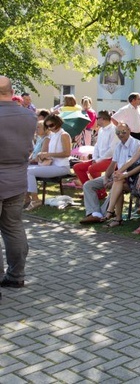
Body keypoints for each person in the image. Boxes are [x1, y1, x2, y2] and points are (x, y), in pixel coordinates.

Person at [0, 76, 37, 290]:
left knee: (12, 228)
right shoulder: (28, 116)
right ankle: (16, 275)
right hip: (17, 178)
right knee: (13, 227)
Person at [98, 122, 140, 227]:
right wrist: (120, 171)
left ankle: (111, 214)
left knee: (119, 181)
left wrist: (125, 175)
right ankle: (113, 214)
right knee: (118, 180)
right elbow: (132, 160)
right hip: (133, 175)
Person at [80, 124, 140, 224]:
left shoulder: (136, 144)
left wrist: (113, 179)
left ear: (129, 130)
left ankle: (102, 214)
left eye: (123, 132)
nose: (121, 134)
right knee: (88, 185)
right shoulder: (118, 145)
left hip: (129, 176)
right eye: (118, 133)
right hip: (117, 175)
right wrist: (106, 178)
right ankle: (94, 213)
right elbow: (113, 164)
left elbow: (133, 165)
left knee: (116, 186)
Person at [24, 114, 72, 211]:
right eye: (47, 126)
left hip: (62, 167)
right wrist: (43, 155)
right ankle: (26, 198)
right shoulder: (53, 135)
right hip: (53, 165)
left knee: (29, 171)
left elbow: (67, 153)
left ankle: (35, 199)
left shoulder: (64, 135)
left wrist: (48, 154)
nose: (50, 128)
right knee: (25, 169)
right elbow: (52, 154)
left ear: (58, 123)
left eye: (51, 125)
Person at [72, 111, 117, 190]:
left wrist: (98, 160)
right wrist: (95, 158)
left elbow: (112, 150)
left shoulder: (114, 130)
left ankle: (100, 192)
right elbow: (96, 146)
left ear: (102, 119)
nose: (95, 120)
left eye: (97, 118)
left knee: (92, 168)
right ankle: (89, 188)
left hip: (111, 159)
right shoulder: (101, 130)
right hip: (99, 159)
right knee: (77, 167)